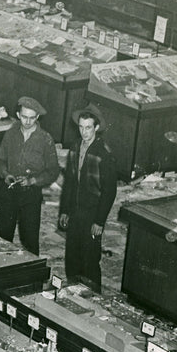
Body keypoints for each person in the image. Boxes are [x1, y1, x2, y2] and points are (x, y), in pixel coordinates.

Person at [59, 104, 119, 291]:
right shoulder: (75, 147)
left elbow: (110, 192)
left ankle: (94, 297)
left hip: (92, 213)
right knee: (72, 256)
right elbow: (69, 182)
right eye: (81, 127)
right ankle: (72, 292)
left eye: (88, 128)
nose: (84, 132)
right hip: (75, 210)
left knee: (90, 259)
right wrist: (65, 211)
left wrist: (99, 221)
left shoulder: (103, 153)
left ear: (96, 128)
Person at [0, 96, 59, 255]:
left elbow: (53, 171)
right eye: (24, 117)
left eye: (31, 118)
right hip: (9, 190)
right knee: (2, 236)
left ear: (37, 117)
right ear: (18, 114)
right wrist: (5, 174)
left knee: (29, 238)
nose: (27, 122)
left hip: (31, 194)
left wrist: (33, 180)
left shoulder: (45, 139)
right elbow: (0, 160)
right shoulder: (10, 134)